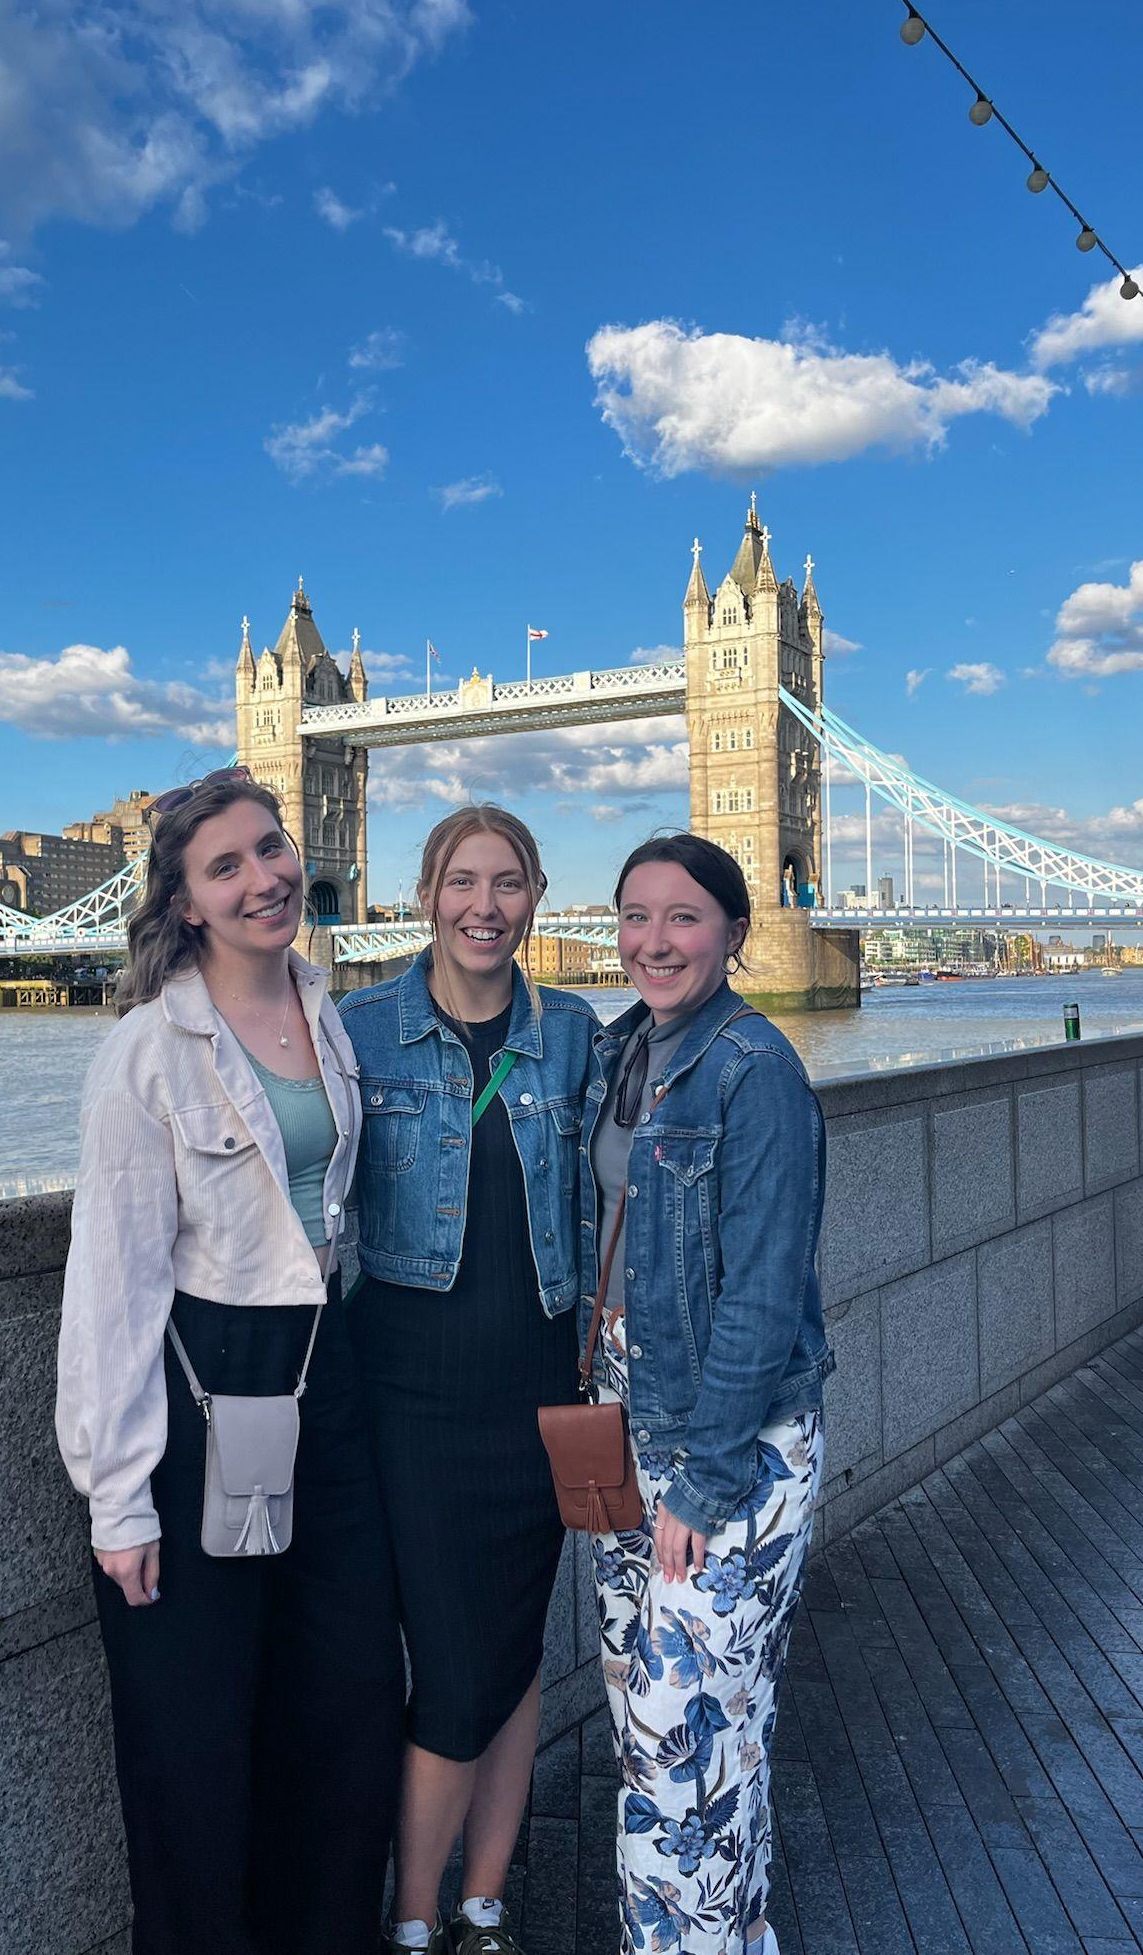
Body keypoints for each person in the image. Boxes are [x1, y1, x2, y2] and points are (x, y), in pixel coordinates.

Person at [54, 768, 403, 1955]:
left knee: (347, 1701)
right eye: (226, 865)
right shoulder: (145, 1052)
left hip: (325, 1374)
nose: (264, 877)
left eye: (271, 847)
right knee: (195, 1733)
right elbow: (111, 1281)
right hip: (204, 1387)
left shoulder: (326, 1010)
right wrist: (116, 1495)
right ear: (184, 902)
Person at [340, 804, 599, 1955]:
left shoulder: (578, 1034)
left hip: (539, 1396)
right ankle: (410, 1919)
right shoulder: (358, 1031)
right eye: (460, 881)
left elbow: (630, 1187)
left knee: (511, 1648)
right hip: (408, 1401)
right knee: (452, 1667)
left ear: (535, 896)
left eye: (506, 882)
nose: (482, 906)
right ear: (424, 896)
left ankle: (480, 1905)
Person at [579, 834, 835, 1955]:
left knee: (677, 1732)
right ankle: (736, 1933)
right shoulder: (619, 1049)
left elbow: (765, 1294)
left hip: (728, 1441)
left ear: (734, 931)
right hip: (623, 1413)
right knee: (685, 1725)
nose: (653, 940)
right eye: (634, 915)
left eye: (682, 917)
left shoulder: (754, 1070)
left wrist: (704, 1475)